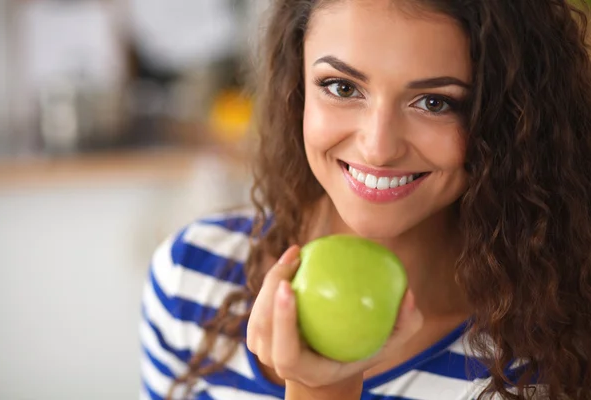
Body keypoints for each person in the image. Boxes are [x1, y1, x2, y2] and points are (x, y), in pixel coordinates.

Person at [140, 0, 591, 399]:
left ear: (509, 118)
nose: (378, 147)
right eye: (342, 87)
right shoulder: (192, 276)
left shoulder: (547, 354)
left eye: (434, 102)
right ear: (296, 88)